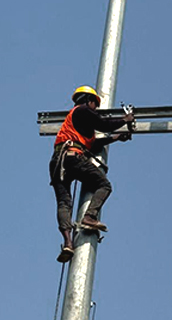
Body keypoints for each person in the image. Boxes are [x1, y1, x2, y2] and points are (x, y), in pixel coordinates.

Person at [48, 85, 135, 262]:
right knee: (104, 185)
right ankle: (89, 217)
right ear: (89, 100)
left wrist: (118, 137)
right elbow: (103, 124)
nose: (95, 109)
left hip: (58, 162)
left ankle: (68, 243)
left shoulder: (77, 124)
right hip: (72, 157)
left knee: (64, 203)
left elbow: (94, 144)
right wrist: (125, 119)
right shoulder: (82, 110)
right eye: (95, 104)